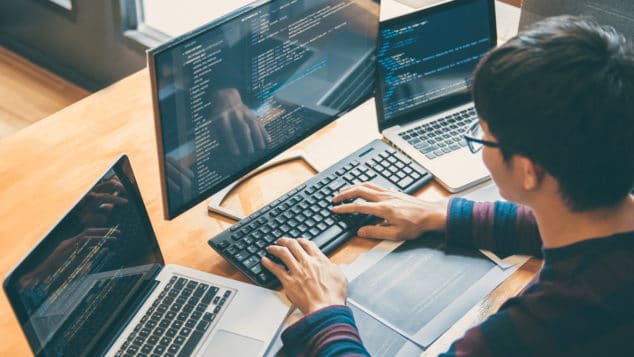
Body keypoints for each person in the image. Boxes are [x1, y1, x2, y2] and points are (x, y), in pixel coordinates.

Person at [260, 15, 634, 356]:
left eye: (483, 135)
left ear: (528, 171)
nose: (480, 146)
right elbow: (570, 223)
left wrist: (325, 312)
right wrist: (440, 214)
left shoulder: (541, 325)